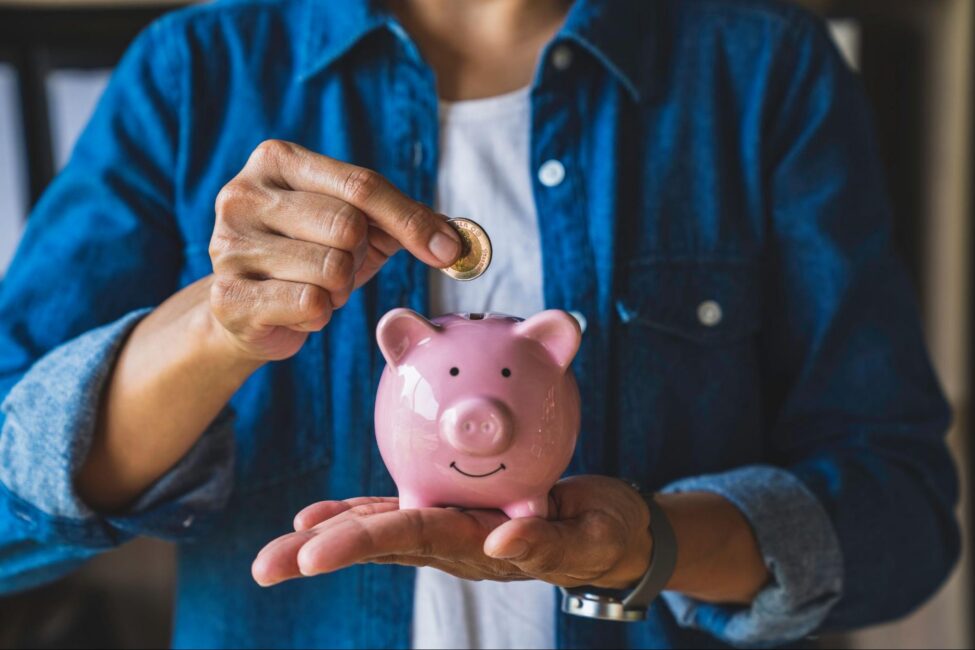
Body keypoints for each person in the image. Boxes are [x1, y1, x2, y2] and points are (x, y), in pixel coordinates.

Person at [0, 0, 959, 648]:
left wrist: (648, 546)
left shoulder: (761, 68)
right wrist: (218, 326)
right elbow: (10, 511)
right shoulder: (193, 70)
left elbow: (898, 509)